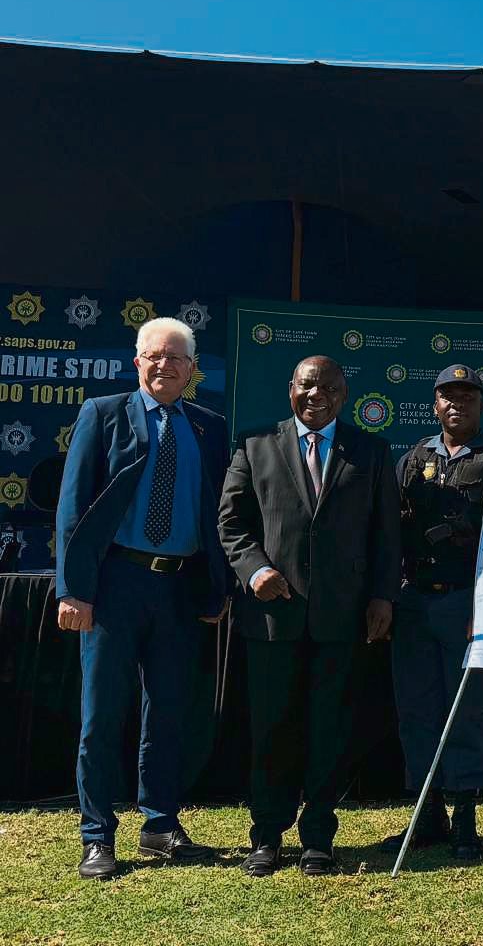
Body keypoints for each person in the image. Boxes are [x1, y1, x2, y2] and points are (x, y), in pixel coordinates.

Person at [55, 317, 228, 880]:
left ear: (192, 369)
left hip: (179, 589)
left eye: (176, 358)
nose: (164, 365)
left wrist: (217, 586)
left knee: (170, 711)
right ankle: (96, 835)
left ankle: (159, 824)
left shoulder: (209, 426)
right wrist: (73, 589)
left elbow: (219, 514)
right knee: (102, 714)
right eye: (154, 355)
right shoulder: (102, 414)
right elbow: (73, 508)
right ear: (137, 362)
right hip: (114, 586)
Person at [219, 355, 400, 877]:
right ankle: (267, 836)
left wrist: (383, 596)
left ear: (344, 396)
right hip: (273, 618)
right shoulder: (255, 444)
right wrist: (255, 570)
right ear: (290, 389)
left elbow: (386, 534)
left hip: (343, 619)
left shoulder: (371, 451)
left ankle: (318, 835)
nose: (316, 395)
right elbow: (231, 522)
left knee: (330, 730)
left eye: (328, 388)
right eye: (307, 385)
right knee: (272, 730)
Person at [380, 364, 483, 860]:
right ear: (435, 405)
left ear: (481, 404)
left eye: (467, 396)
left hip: (467, 602)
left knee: (466, 710)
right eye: (448, 396)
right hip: (415, 602)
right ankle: (427, 814)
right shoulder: (414, 459)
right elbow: (390, 532)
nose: (457, 404)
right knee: (417, 710)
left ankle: (466, 818)